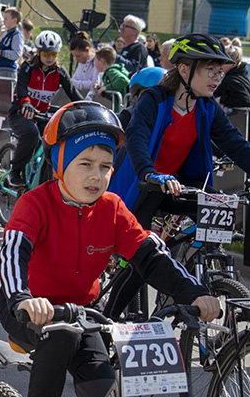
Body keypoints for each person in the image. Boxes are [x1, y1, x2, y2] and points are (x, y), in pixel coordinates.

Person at [0, 100, 220, 397]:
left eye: (105, 166)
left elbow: (151, 255)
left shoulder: (112, 208)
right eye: (85, 164)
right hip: (29, 308)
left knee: (101, 385)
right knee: (60, 337)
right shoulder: (35, 204)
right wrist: (22, 298)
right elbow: (13, 253)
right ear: (60, 163)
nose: (96, 176)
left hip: (84, 311)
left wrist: (194, 293)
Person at [105, 33, 250, 320]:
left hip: (178, 188)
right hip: (144, 186)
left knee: (214, 209)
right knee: (143, 260)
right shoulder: (154, 100)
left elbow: (236, 144)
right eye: (210, 69)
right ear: (184, 69)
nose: (216, 77)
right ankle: (107, 326)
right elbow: (137, 138)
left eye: (219, 71)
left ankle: (200, 276)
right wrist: (149, 172)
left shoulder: (207, 107)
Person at [6, 30, 82, 187]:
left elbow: (73, 92)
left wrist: (86, 107)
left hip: (42, 114)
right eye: (46, 53)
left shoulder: (59, 71)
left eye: (54, 54)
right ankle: (15, 171)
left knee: (57, 138)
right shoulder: (28, 67)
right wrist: (26, 103)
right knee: (31, 134)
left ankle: (47, 180)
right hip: (21, 112)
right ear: (39, 52)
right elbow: (20, 88)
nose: (50, 58)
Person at [0, 4, 24, 78]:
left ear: (14, 20)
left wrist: (0, 53)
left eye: (6, 19)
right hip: (1, 69)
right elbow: (1, 26)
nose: (4, 21)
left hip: (8, 71)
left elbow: (16, 53)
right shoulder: (8, 34)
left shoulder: (17, 35)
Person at [214, 44, 250, 109]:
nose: (220, 64)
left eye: (224, 61)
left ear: (233, 64)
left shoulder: (232, 79)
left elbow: (245, 100)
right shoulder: (240, 76)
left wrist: (222, 99)